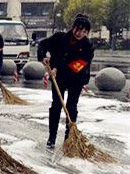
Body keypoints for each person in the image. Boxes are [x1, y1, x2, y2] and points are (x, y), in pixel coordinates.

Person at [37, 14, 94, 149]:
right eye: (78, 30)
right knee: (56, 105)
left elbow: (77, 66)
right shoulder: (59, 38)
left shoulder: (88, 46)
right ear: (73, 27)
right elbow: (42, 44)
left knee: (71, 107)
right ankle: (52, 138)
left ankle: (69, 138)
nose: (80, 34)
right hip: (58, 79)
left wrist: (58, 68)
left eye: (85, 31)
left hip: (77, 78)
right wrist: (43, 57)